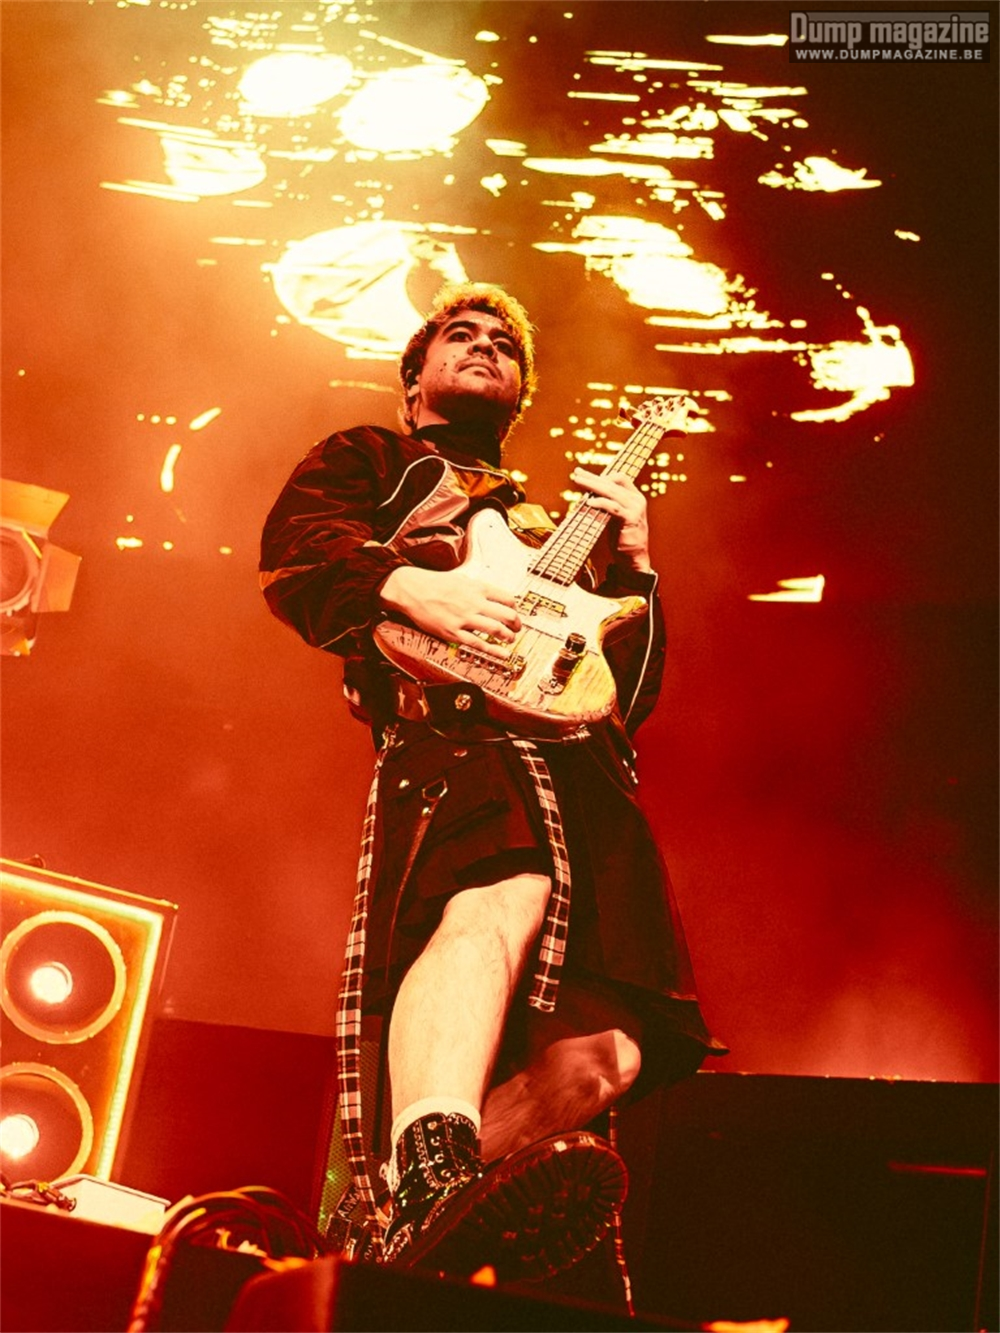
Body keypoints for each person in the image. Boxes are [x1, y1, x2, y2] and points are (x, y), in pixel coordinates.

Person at [260, 282, 724, 1284]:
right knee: (501, 891)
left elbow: (625, 693)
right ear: (412, 382)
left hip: (586, 779)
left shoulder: (554, 527)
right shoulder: (373, 458)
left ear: (520, 392)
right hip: (460, 733)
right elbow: (295, 554)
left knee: (608, 1051)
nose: (483, 346)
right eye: (459, 334)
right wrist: (411, 585)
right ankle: (431, 1162)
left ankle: (403, 1216)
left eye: (504, 343)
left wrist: (635, 561)